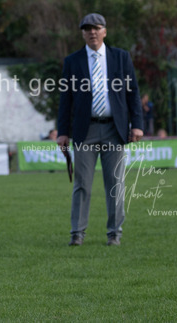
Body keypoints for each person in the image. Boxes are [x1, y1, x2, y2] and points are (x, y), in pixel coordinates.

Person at [56, 13, 143, 247]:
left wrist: (137, 125)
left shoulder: (121, 57)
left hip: (115, 130)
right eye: (87, 28)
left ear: (105, 31)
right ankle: (77, 233)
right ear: (82, 33)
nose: (92, 32)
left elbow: (132, 93)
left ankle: (114, 233)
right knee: (82, 183)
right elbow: (66, 100)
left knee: (115, 183)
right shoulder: (72, 61)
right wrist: (62, 131)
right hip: (85, 131)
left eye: (96, 28)